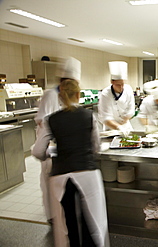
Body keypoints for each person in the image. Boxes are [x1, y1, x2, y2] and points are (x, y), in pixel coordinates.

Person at [32, 79, 110, 247]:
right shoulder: (89, 116)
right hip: (87, 173)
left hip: (61, 176)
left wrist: (50, 153)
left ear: (60, 97)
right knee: (93, 220)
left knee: (67, 222)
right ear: (78, 94)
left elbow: (37, 151)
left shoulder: (50, 120)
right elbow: (96, 147)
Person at [33, 57, 81, 224]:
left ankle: (63, 216)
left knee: (62, 187)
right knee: (49, 184)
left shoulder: (64, 97)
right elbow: (43, 121)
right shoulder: (50, 95)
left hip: (62, 150)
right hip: (49, 147)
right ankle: (52, 217)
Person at [98, 61, 135, 136]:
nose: (121, 87)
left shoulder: (128, 89)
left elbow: (131, 109)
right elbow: (105, 117)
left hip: (126, 127)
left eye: (122, 84)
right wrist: (118, 127)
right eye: (118, 85)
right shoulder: (105, 94)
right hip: (110, 129)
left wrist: (124, 121)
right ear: (112, 82)